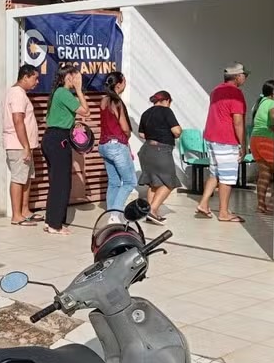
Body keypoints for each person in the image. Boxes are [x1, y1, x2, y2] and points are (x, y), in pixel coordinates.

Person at [196, 63, 249, 223]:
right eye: (244, 75)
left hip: (211, 137)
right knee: (227, 177)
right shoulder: (235, 93)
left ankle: (204, 204)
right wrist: (243, 144)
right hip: (226, 140)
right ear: (238, 76)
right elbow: (238, 121)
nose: (245, 78)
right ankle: (224, 212)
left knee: (215, 173)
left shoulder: (216, 91)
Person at [42, 63, 90, 234]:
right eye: (75, 76)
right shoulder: (63, 92)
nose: (78, 79)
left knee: (56, 182)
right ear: (67, 77)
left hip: (52, 138)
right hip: (58, 140)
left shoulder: (58, 93)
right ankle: (56, 224)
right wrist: (78, 90)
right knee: (62, 183)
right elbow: (86, 111)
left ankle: (51, 221)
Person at [4, 65, 41, 227]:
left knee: (27, 177)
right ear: (25, 77)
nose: (37, 82)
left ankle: (25, 210)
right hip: (18, 145)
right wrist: (25, 145)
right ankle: (16, 215)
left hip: (25, 145)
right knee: (19, 178)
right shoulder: (17, 94)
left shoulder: (21, 94)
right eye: (35, 78)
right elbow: (18, 120)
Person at [137, 90, 183, 224]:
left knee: (154, 183)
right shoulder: (166, 111)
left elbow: (141, 134)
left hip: (146, 150)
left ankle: (151, 214)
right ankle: (152, 209)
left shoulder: (146, 113)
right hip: (161, 150)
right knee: (170, 182)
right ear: (167, 100)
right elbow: (177, 130)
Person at [97, 72, 136, 212]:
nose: (125, 84)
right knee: (130, 182)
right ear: (119, 84)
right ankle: (116, 212)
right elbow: (125, 127)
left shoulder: (103, 100)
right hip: (116, 145)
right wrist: (128, 135)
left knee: (114, 182)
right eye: (124, 81)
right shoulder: (116, 102)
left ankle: (111, 213)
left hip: (104, 145)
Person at [249, 79, 274, 215]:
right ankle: (272, 206)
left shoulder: (260, 103)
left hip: (255, 139)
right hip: (267, 140)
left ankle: (261, 205)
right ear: (273, 91)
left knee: (264, 175)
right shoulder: (272, 103)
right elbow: (273, 118)